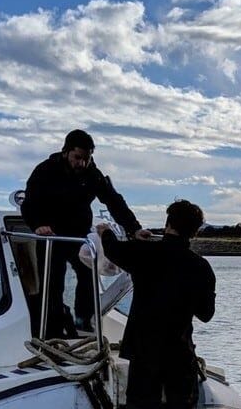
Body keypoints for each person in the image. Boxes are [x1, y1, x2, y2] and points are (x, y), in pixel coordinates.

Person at [98, 199, 214, 409]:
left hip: (145, 349)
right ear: (195, 231)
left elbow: (115, 252)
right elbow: (206, 314)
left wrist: (105, 232)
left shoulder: (146, 254)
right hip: (180, 350)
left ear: (168, 223)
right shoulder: (200, 267)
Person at [21, 129, 151, 336]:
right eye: (77, 158)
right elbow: (29, 204)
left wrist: (134, 229)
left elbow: (114, 201)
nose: (81, 163)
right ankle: (53, 332)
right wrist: (37, 225)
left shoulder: (92, 174)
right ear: (66, 152)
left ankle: (84, 320)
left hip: (80, 236)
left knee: (87, 275)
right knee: (53, 284)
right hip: (51, 236)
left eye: (87, 158)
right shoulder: (45, 170)